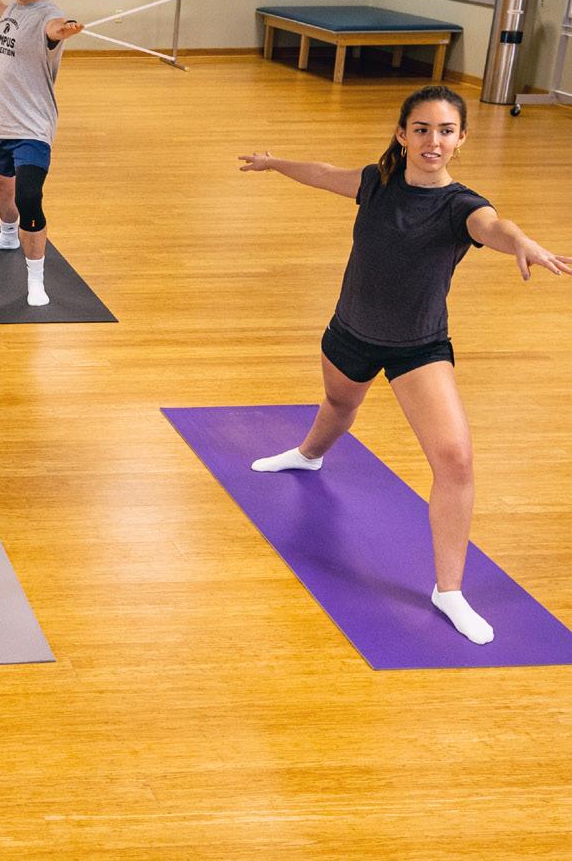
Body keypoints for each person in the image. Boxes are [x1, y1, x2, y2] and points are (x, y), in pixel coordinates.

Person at [238, 84, 571, 645]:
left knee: (455, 459)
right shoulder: (377, 183)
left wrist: (523, 242)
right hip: (350, 330)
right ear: (402, 135)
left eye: (446, 131)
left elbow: (494, 226)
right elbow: (325, 174)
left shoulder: (461, 206)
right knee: (340, 403)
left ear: (461, 140)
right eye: (422, 129)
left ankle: (449, 590)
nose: (433, 141)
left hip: (418, 347)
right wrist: (275, 164)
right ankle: (309, 455)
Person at [0, 0, 85, 309]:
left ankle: (36, 278)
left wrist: (64, 31)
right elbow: (16, 18)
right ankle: (7, 235)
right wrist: (0, 7)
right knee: (3, 187)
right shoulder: (13, 10)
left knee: (28, 197)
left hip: (33, 128)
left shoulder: (49, 16)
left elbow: (52, 28)